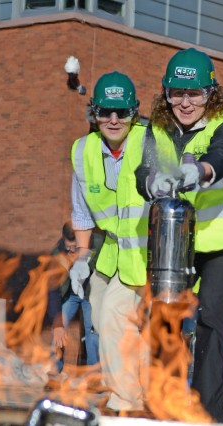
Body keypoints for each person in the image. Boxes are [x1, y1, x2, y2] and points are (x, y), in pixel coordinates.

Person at [135, 47, 223, 421]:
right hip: (178, 236)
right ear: (166, 93)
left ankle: (207, 411)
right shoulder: (157, 127)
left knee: (211, 317)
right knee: (166, 315)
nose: (185, 103)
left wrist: (201, 171)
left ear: (211, 93)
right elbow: (144, 170)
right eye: (177, 94)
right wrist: (151, 181)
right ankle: (164, 402)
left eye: (194, 94)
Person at [69, 71, 150, 412]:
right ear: (94, 113)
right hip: (111, 254)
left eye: (122, 112)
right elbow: (82, 210)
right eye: (106, 112)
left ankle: (125, 403)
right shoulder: (83, 150)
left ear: (134, 112)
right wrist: (81, 257)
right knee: (102, 320)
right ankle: (143, 393)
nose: (114, 120)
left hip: (148, 252)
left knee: (116, 317)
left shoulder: (151, 142)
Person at [51, 221, 101, 370]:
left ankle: (94, 375)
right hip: (70, 295)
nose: (71, 251)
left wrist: (84, 260)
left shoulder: (98, 245)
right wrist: (58, 323)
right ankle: (54, 371)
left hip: (90, 294)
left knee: (92, 330)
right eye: (68, 248)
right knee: (58, 329)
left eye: (75, 247)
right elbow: (52, 291)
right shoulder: (58, 254)